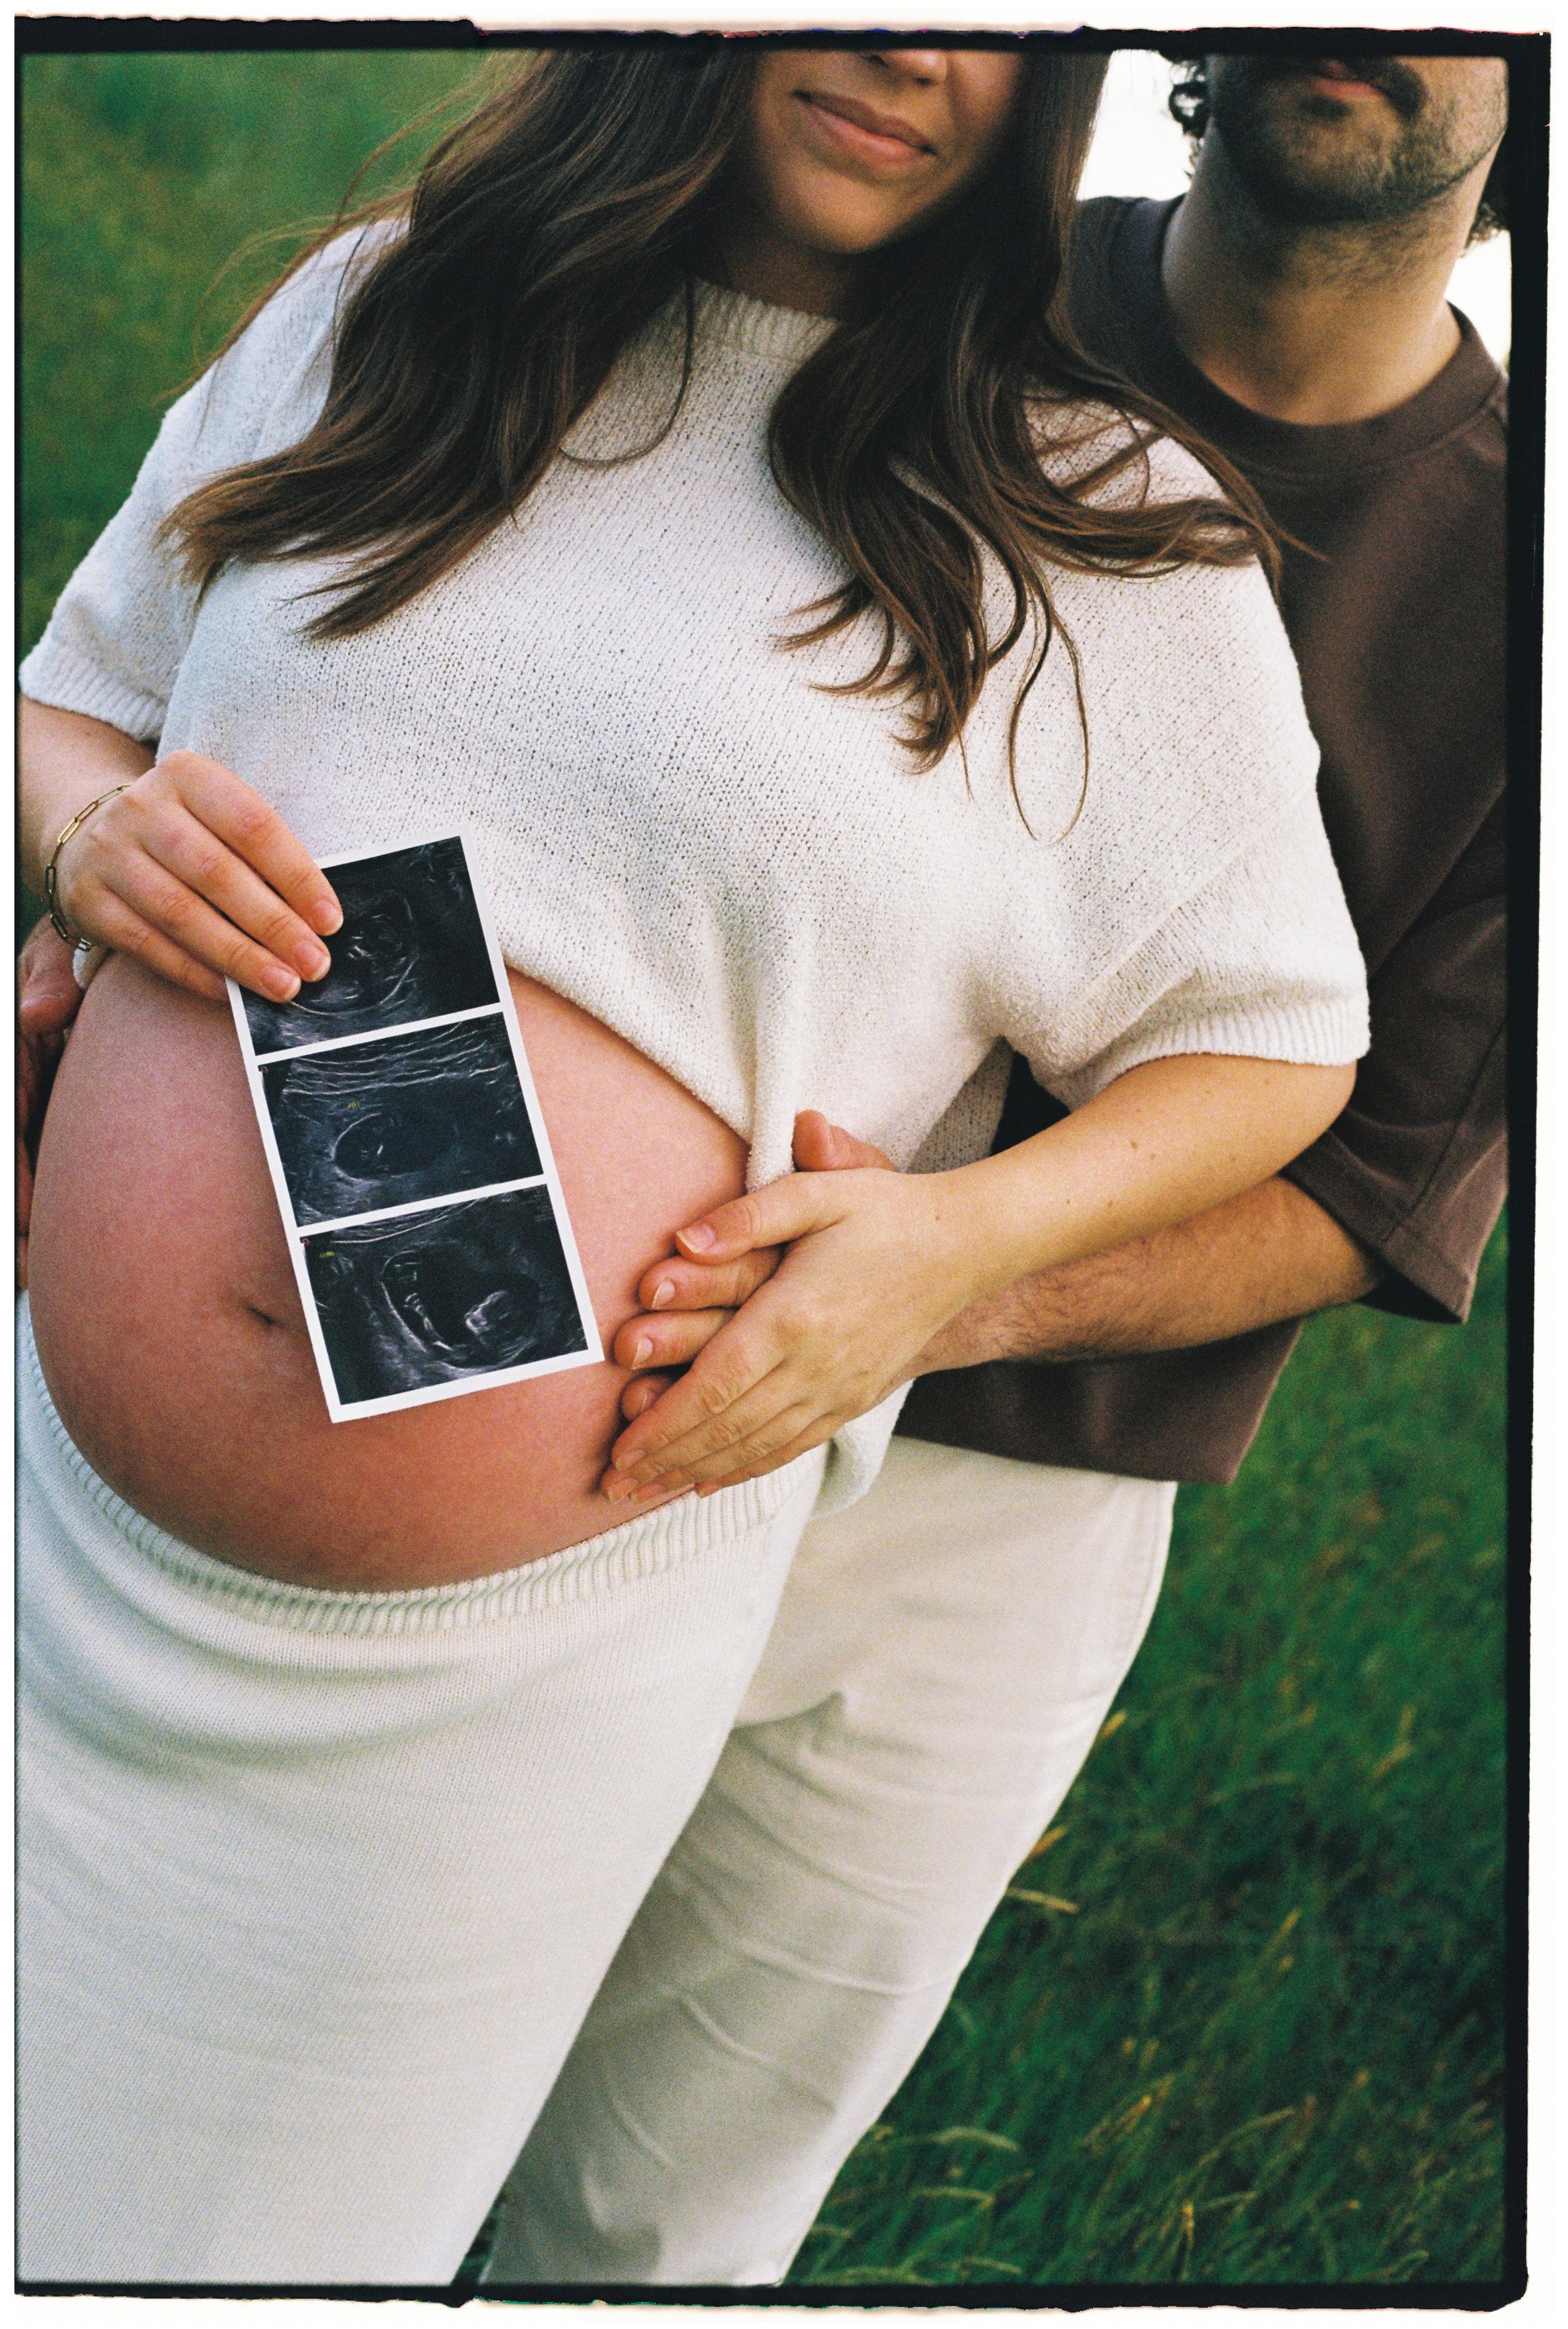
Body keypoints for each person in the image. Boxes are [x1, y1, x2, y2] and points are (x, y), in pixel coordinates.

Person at [16, 46, 1369, 2286]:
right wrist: (86, 835)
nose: (917, 45)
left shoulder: (1089, 514)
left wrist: (956, 1241)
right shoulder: (394, 313)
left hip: (496, 1679)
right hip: (53, 1522)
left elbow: (1272, 1038)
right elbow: (70, 694)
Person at [511, 46, 1508, 2288]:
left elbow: (1382, 1181)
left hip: (1000, 1500)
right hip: (553, 1363)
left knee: (648, 2222)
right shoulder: (914, 258)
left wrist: (916, 1293)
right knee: (301, 2034)